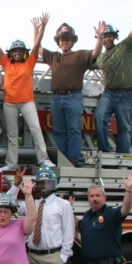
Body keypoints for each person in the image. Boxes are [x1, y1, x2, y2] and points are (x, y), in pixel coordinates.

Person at [0, 15, 55, 171]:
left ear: (24, 53)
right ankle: (11, 164)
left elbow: (37, 44)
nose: (17, 53)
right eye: (15, 51)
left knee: (36, 129)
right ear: (11, 53)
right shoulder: (6, 62)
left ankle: (43, 160)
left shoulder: (29, 62)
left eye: (20, 51)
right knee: (12, 135)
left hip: (27, 101)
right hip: (10, 103)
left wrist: (42, 27)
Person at [36, 18, 105, 165]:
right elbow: (38, 48)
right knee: (59, 131)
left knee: (73, 130)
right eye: (62, 39)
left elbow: (96, 53)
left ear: (72, 41)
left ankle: (73, 159)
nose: (64, 42)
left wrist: (99, 37)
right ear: (58, 42)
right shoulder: (53, 56)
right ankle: (63, 160)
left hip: (73, 97)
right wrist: (39, 28)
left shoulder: (80, 55)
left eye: (67, 39)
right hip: (56, 98)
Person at [94, 0, 132, 154]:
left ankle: (122, 158)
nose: (107, 39)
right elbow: (80, 62)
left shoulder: (125, 46)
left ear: (114, 37)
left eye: (109, 36)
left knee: (124, 127)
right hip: (108, 94)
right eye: (104, 37)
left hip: (127, 94)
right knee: (99, 117)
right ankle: (104, 152)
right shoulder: (99, 57)